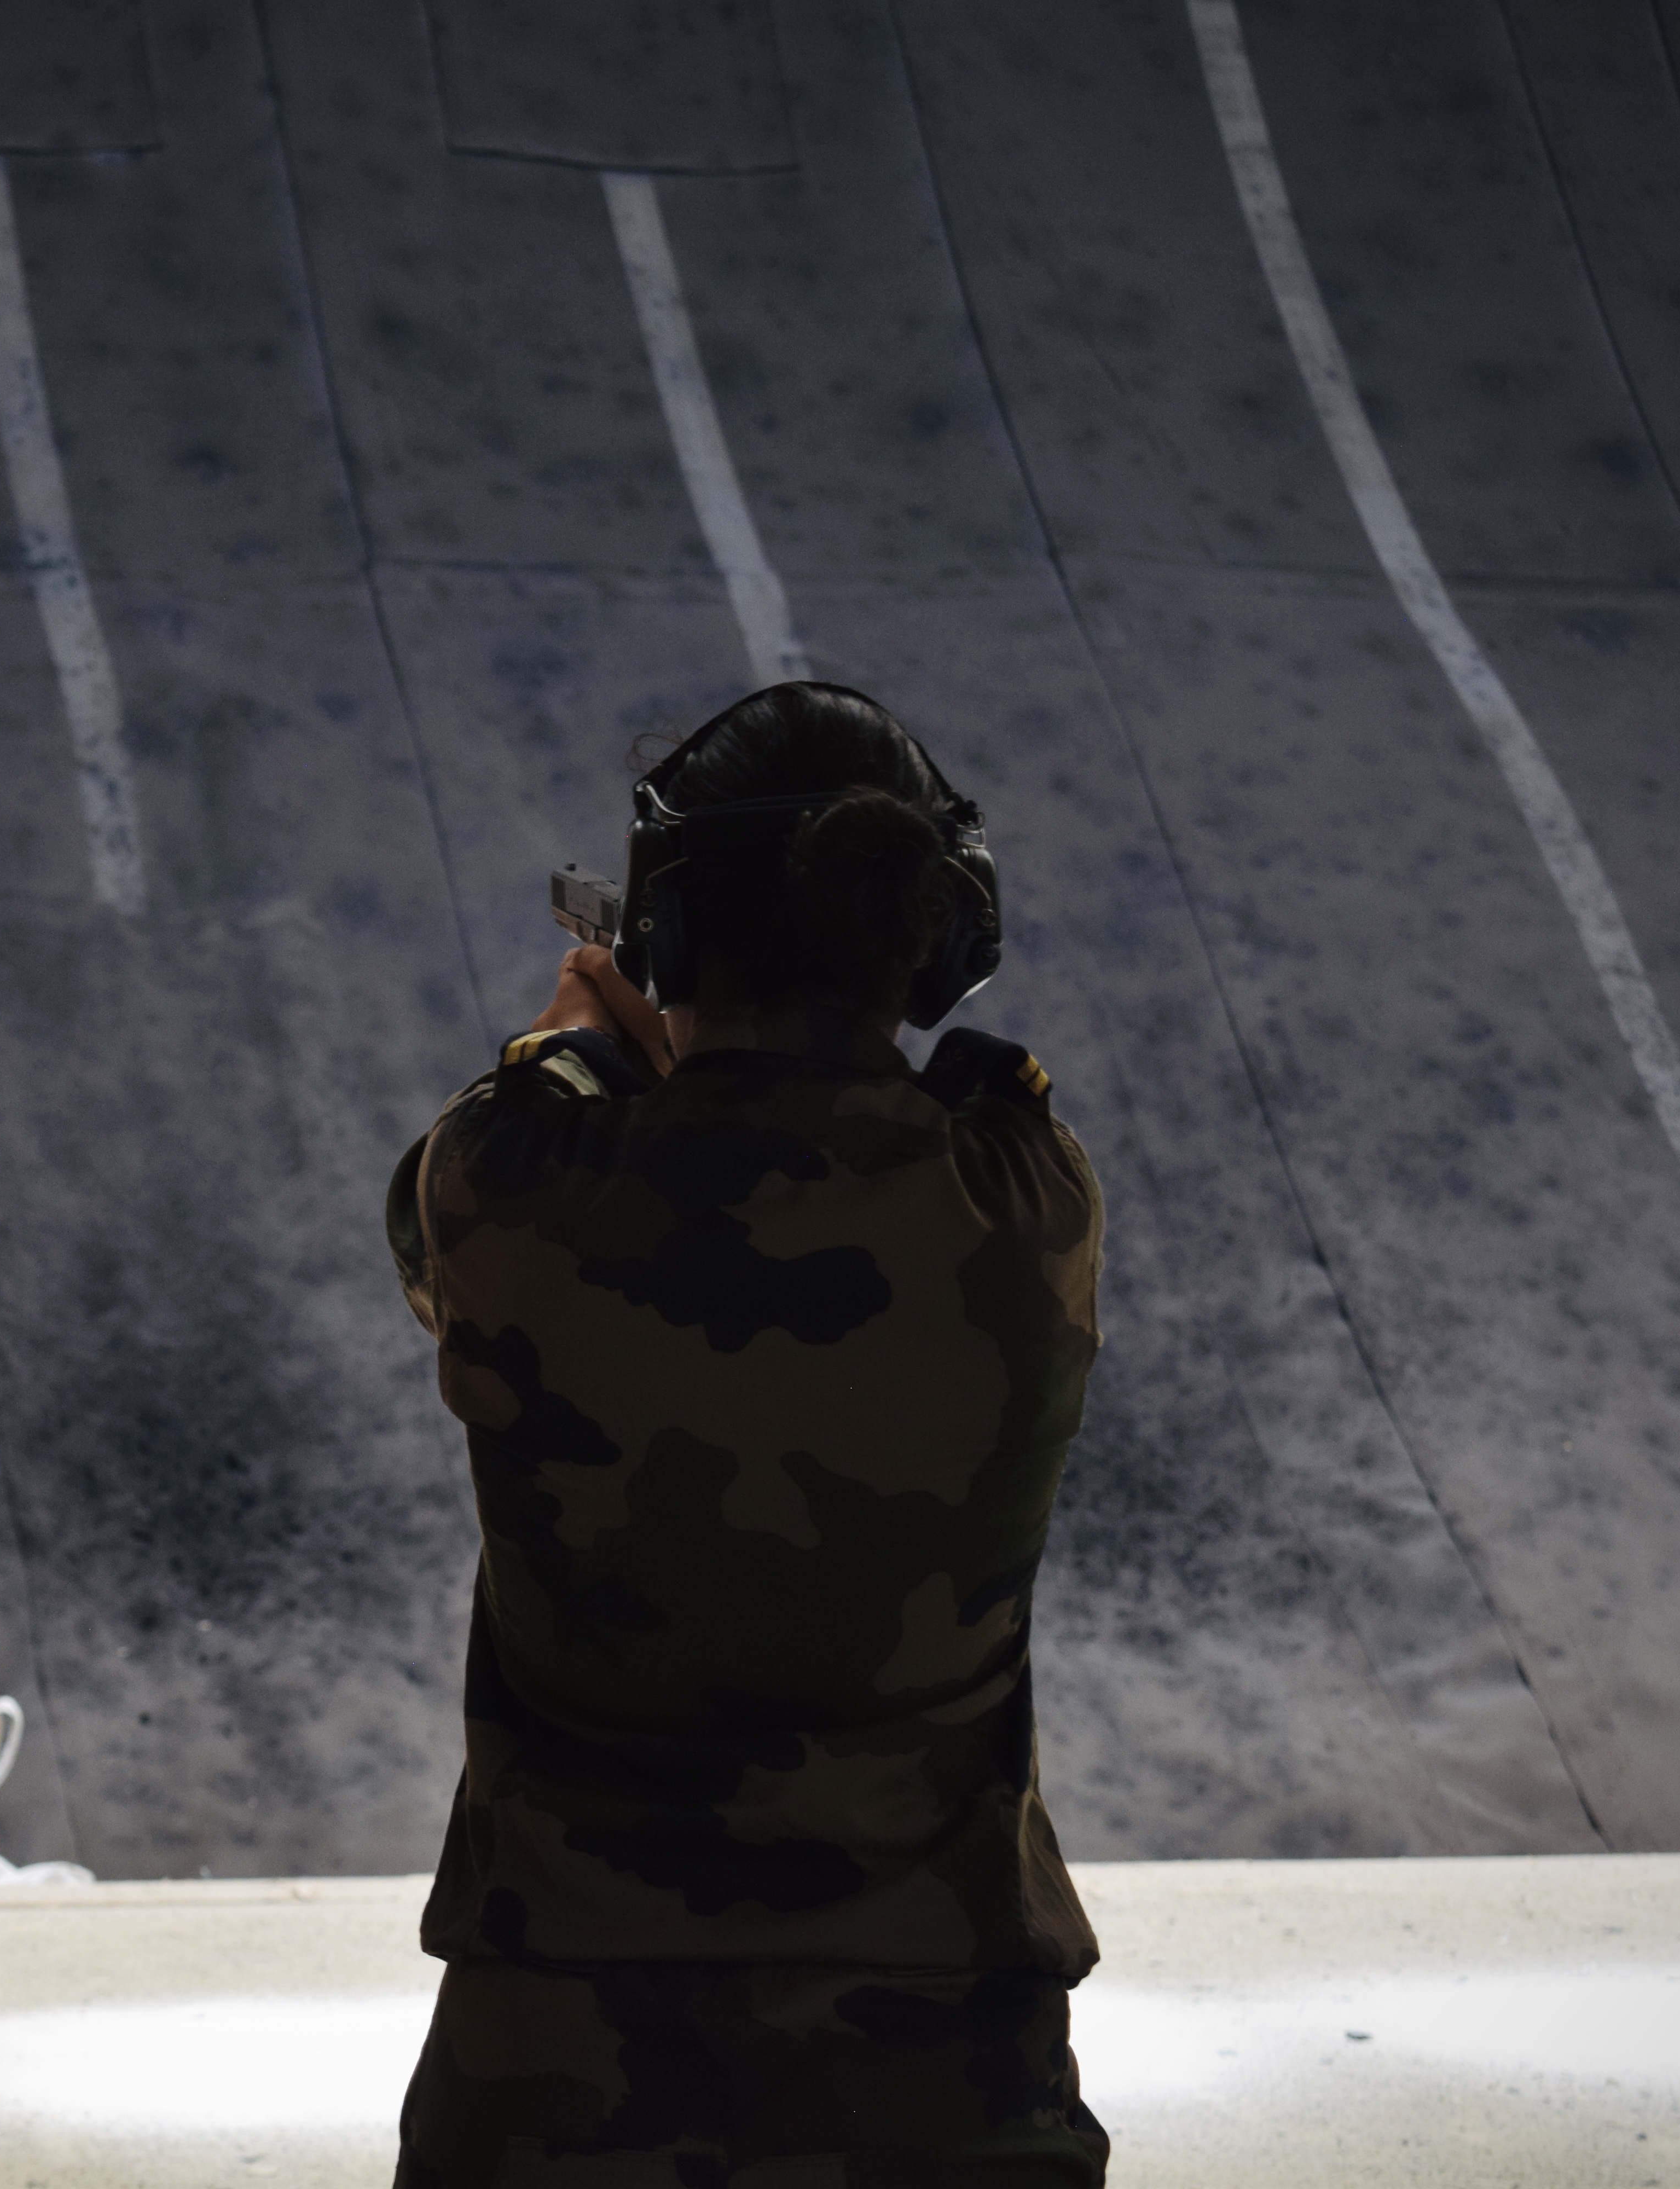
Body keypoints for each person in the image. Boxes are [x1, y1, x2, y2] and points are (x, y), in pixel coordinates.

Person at [383, 682, 1109, 2187]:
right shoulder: (1024, 1196)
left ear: (661, 933)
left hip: (560, 2061)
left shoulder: (514, 1183)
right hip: (951, 2067)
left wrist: (578, 1043)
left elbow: (441, 1212)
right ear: (936, 941)